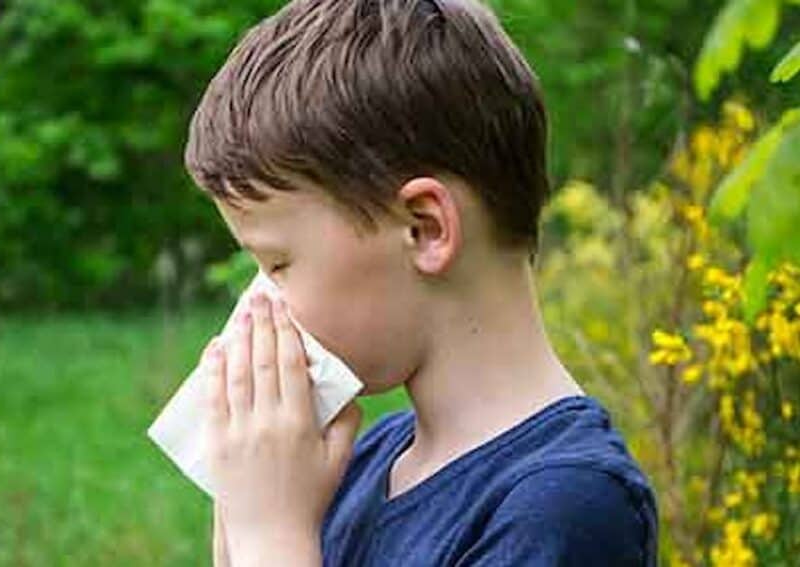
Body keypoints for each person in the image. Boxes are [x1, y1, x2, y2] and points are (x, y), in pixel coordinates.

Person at [183, 0, 658, 565]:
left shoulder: (563, 508)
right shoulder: (355, 469)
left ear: (424, 228)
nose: (257, 306)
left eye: (278, 264)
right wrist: (244, 516)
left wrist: (271, 537)